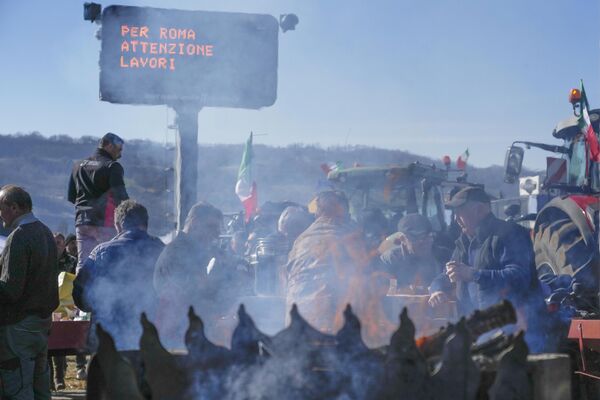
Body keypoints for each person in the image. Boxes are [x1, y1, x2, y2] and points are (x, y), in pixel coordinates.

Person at [428, 186, 549, 352]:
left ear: (480, 210)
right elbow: (446, 275)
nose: (456, 219)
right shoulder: (464, 242)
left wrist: (474, 274)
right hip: (481, 330)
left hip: (516, 330)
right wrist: (437, 289)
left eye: (460, 212)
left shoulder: (510, 234)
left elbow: (520, 277)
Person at [73, 200, 164, 351]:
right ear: (146, 224)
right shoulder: (162, 250)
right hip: (150, 336)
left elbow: (79, 294)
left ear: (118, 226)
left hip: (108, 337)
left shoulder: (101, 252)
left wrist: (99, 307)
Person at [0, 185, 59, 400]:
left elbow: (10, 290)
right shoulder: (45, 232)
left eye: (1, 208)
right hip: (41, 325)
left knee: (18, 389)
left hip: (19, 327)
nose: (0, 214)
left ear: (14, 207)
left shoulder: (19, 237)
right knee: (40, 387)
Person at [286, 191, 370, 333]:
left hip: (295, 322)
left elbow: (289, 275)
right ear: (342, 211)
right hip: (330, 324)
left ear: (317, 212)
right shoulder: (349, 237)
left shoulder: (300, 239)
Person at [153, 201, 225, 348]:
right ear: (195, 222)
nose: (216, 235)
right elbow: (192, 297)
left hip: (185, 334)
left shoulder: (191, 253)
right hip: (176, 338)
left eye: (217, 230)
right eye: (211, 227)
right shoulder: (178, 253)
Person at [68, 132, 128, 271]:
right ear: (109, 145)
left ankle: (79, 292)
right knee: (108, 266)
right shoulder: (112, 166)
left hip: (82, 223)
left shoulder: (78, 165)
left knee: (83, 265)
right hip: (105, 223)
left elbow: (72, 197)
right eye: (119, 150)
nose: (120, 155)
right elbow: (121, 198)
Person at [380, 214, 444, 292]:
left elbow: (454, 286)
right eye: (416, 238)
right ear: (402, 239)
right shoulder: (391, 259)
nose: (423, 242)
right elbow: (387, 290)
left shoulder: (444, 256)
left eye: (428, 236)